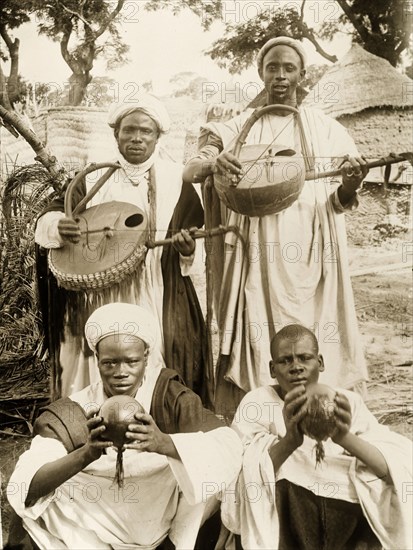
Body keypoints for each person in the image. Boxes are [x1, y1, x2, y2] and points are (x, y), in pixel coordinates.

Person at [183, 36, 369, 418]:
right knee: (260, 327)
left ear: (303, 74)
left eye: (288, 68)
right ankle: (262, 416)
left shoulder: (327, 130)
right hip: (257, 250)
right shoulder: (235, 127)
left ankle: (321, 413)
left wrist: (350, 184)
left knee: (313, 326)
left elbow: (337, 201)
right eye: (272, 67)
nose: (280, 76)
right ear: (260, 73)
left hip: (316, 251)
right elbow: (190, 170)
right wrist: (216, 163)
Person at [7, 303, 243, 550]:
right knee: (35, 507)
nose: (121, 372)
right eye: (110, 363)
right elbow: (25, 485)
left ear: (146, 358)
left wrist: (164, 443)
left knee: (208, 473)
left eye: (131, 361)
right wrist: (86, 454)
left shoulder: (166, 395)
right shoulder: (73, 410)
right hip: (94, 519)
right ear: (96, 359)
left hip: (161, 515)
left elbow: (228, 446)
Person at [35, 93, 207, 400]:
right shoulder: (94, 177)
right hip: (100, 295)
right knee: (100, 359)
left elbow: (195, 243)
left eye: (146, 131)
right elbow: (51, 216)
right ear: (116, 134)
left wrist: (186, 250)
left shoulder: (176, 181)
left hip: (156, 289)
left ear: (158, 137)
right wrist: (60, 225)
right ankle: (93, 421)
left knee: (155, 354)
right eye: (129, 130)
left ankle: (155, 421)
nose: (137, 138)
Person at [220, 324, 412, 549]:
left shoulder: (345, 402)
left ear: (320, 362)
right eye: (285, 360)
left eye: (304, 358)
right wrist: (291, 441)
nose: (296, 367)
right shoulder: (258, 402)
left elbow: (390, 467)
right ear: (272, 369)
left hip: (345, 513)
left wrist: (343, 438)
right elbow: (242, 473)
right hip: (288, 514)